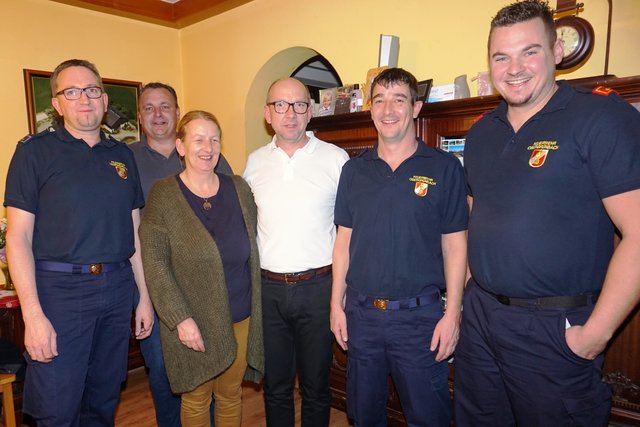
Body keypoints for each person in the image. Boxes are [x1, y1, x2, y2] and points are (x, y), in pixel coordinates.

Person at [454, 1, 640, 426]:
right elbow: (473, 221)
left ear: (556, 52)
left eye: (529, 51)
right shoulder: (481, 133)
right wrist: (463, 302)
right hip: (482, 319)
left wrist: (594, 336)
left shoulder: (599, 116)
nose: (514, 67)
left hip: (553, 327)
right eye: (502, 56)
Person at [3, 58, 154, 426]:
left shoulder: (122, 156)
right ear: (57, 104)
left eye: (91, 90)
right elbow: (18, 237)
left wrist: (144, 298)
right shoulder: (33, 152)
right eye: (71, 91)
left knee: (103, 400)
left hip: (117, 289)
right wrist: (32, 315)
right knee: (57, 407)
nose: (83, 99)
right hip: (60, 292)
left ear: (104, 100)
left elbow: (134, 231)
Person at [330, 67, 468, 427]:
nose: (388, 109)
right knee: (363, 416)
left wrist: (452, 315)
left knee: (430, 416)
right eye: (380, 100)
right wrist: (335, 305)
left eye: (399, 99)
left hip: (420, 319)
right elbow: (342, 243)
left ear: (416, 107)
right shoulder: (354, 171)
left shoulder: (444, 168)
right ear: (370, 108)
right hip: (362, 317)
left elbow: (456, 245)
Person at [140, 110, 264, 427]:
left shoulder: (239, 188)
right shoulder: (163, 194)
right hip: (192, 323)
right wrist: (180, 318)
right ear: (180, 146)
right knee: (196, 401)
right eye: (198, 139)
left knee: (230, 395)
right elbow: (155, 264)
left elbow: (255, 245)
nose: (207, 147)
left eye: (214, 139)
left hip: (241, 316)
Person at [243, 77, 348, 427]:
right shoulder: (254, 163)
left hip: (318, 288)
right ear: (267, 114)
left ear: (311, 111)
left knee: (317, 386)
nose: (290, 113)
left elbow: (350, 232)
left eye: (300, 104)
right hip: (268, 290)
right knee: (275, 386)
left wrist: (340, 294)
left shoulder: (336, 160)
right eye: (281, 105)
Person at [129, 82, 233, 427]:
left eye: (165, 106)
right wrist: (144, 296)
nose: (158, 114)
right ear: (140, 116)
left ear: (177, 111)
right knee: (164, 372)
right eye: (148, 108)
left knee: (213, 368)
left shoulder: (208, 154)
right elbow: (128, 228)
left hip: (207, 286)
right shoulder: (127, 160)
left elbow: (229, 217)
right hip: (157, 283)